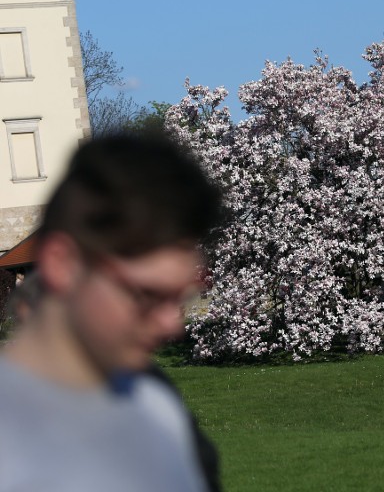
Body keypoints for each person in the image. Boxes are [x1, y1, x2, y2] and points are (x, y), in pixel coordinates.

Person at [0, 135, 222, 492]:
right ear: (63, 264)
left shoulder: (159, 408)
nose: (173, 324)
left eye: (181, 296)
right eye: (147, 295)